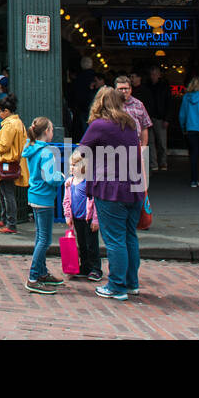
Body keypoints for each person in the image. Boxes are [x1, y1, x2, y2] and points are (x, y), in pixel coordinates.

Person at [78, 87, 145, 301]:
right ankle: (131, 283)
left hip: (110, 188)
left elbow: (81, 151)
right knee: (129, 237)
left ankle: (117, 286)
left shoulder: (99, 125)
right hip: (134, 187)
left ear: (99, 102)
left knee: (115, 240)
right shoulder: (129, 123)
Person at [21, 116, 65, 294]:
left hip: (35, 195)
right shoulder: (47, 152)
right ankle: (33, 277)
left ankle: (41, 272)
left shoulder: (31, 148)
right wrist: (61, 177)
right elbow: (50, 177)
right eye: (52, 129)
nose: (53, 132)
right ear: (46, 132)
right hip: (44, 198)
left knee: (41, 237)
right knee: (44, 240)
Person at [0, 95, 28, 234]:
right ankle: (5, 220)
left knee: (7, 194)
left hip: (7, 162)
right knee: (6, 192)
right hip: (13, 162)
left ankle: (10, 224)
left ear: (6, 111)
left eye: (0, 111)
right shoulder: (17, 122)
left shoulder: (9, 125)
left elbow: (4, 146)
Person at [62, 149, 102, 282]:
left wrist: (95, 219)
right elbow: (66, 200)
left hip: (88, 219)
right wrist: (68, 216)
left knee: (92, 245)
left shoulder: (88, 183)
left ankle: (96, 269)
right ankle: (85, 267)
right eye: (71, 165)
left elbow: (95, 202)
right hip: (77, 219)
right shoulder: (70, 182)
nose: (72, 168)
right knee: (82, 244)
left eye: (75, 165)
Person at [114, 75, 152, 182]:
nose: (124, 91)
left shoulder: (139, 104)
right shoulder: (110, 105)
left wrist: (143, 148)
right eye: (120, 89)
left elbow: (145, 127)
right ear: (115, 90)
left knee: (137, 183)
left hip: (135, 148)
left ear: (131, 89)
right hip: (115, 149)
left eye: (126, 88)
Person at [136, 65, 172, 171]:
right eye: (152, 74)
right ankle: (154, 163)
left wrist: (167, 118)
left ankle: (163, 162)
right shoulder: (147, 86)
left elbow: (169, 103)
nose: (153, 76)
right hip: (150, 116)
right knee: (150, 142)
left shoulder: (164, 86)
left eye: (155, 74)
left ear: (159, 75)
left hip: (160, 117)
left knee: (161, 142)